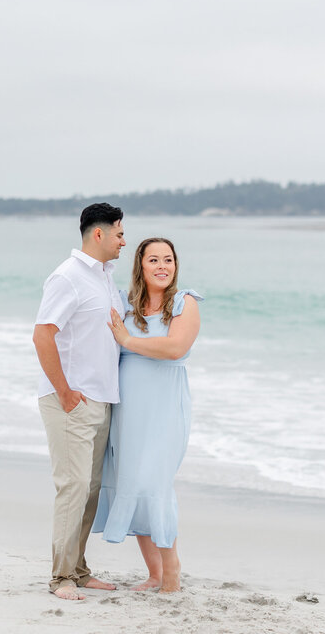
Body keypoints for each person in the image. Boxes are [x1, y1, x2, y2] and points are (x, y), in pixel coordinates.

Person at [93, 236, 202, 593]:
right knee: (134, 482)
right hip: (127, 409)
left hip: (164, 408)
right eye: (153, 260)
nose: (162, 266)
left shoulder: (185, 303)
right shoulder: (125, 304)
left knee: (155, 482)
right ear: (140, 265)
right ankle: (154, 573)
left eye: (168, 259)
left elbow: (175, 348)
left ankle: (171, 571)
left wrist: (127, 341)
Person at [32, 203, 126, 600]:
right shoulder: (67, 276)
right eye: (119, 233)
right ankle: (61, 578)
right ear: (99, 234)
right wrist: (65, 391)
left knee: (90, 490)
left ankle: (79, 569)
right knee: (73, 487)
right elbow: (43, 334)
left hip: (101, 399)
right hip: (71, 400)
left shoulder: (105, 277)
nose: (124, 241)